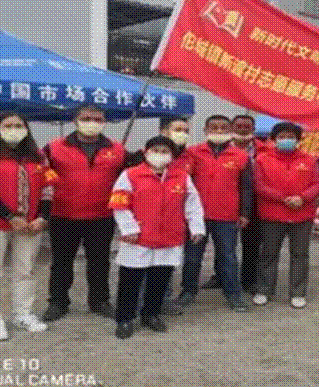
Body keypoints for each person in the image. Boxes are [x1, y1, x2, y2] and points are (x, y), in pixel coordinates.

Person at [0, 112, 56, 340]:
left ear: (26, 129)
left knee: (25, 270)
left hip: (30, 224)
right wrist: (9, 217)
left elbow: (48, 189)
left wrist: (43, 217)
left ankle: (23, 313)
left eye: (19, 125)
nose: (14, 130)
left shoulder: (39, 158)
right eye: (7, 126)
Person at [109, 136, 205, 338]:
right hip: (138, 238)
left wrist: (196, 228)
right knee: (130, 281)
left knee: (159, 280)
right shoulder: (130, 175)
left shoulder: (181, 177)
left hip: (169, 238)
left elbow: (193, 204)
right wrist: (128, 228)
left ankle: (151, 314)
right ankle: (125, 319)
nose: (160, 155)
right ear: (146, 152)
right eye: (156, 151)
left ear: (172, 156)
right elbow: (119, 203)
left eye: (165, 152)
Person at [42, 105, 126, 321]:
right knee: (61, 262)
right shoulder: (54, 147)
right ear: (75, 121)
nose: (92, 123)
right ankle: (58, 302)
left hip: (101, 216)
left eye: (97, 119)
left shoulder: (117, 149)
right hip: (63, 215)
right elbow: (40, 171)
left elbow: (128, 177)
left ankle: (99, 301)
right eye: (86, 118)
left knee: (100, 262)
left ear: (104, 122)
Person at [170, 115, 252, 312]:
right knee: (192, 256)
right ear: (205, 130)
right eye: (214, 127)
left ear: (230, 131)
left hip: (227, 215)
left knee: (228, 256)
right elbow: (181, 180)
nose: (219, 131)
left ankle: (233, 294)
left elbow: (246, 187)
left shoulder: (240, 156)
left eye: (224, 128)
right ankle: (188, 291)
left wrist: (245, 213)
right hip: (197, 216)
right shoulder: (193, 152)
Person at [252, 122, 319, 309]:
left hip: (302, 215)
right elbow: (258, 185)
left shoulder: (309, 160)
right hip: (272, 215)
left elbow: (318, 184)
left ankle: (298, 293)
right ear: (274, 139)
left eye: (291, 137)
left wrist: (303, 198)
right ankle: (264, 290)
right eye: (282, 137)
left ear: (298, 140)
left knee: (300, 255)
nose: (286, 140)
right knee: (268, 254)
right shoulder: (262, 159)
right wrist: (282, 198)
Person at [230, 114, 268, 295]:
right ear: (232, 128)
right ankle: (221, 276)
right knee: (225, 243)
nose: (243, 129)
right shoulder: (221, 148)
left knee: (251, 242)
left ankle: (249, 279)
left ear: (253, 129)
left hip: (255, 201)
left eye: (247, 126)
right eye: (239, 126)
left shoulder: (265, 149)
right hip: (226, 199)